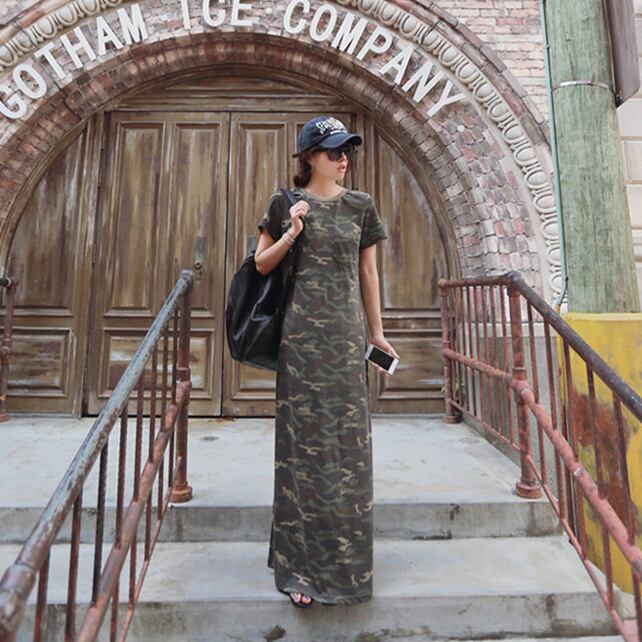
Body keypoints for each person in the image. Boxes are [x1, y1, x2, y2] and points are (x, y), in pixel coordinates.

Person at [254, 115, 399, 608]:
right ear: (310, 156)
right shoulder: (284, 203)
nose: (343, 160)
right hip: (300, 343)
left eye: (347, 152)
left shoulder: (361, 206)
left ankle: (348, 568)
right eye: (335, 152)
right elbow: (261, 264)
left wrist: (377, 333)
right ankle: (300, 570)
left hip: (345, 339)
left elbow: (368, 273)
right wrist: (292, 232)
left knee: (347, 452)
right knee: (300, 451)